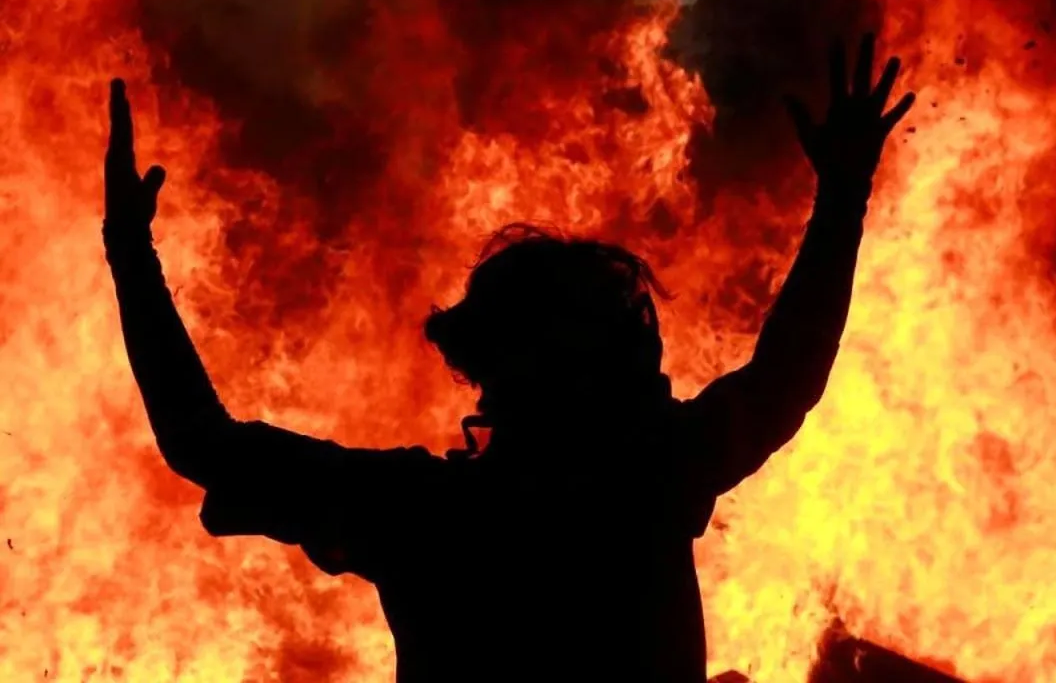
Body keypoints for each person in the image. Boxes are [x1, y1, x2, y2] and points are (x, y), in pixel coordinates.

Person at [103, 34, 915, 682]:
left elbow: (201, 442)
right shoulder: (651, 479)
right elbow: (785, 378)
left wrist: (132, 254)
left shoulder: (420, 513)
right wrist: (842, 196)